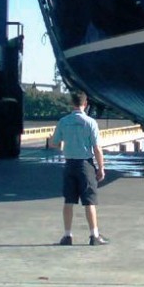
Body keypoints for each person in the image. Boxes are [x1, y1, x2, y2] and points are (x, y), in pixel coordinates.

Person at [52, 89, 108, 246]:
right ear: (85, 103)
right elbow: (97, 148)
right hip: (85, 165)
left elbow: (54, 143)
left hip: (69, 164)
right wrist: (101, 167)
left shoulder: (63, 121)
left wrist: (65, 144)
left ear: (72, 103)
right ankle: (94, 235)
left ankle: (67, 235)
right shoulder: (90, 123)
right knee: (89, 201)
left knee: (68, 201)